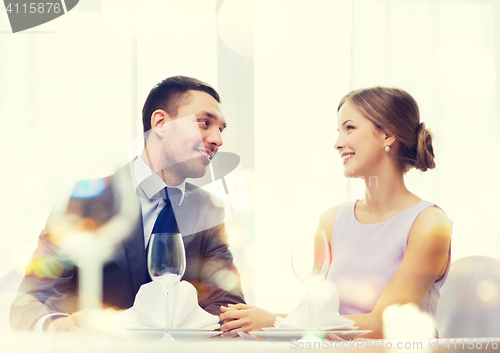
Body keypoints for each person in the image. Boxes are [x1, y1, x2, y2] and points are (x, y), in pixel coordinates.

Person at [10, 76, 245, 331]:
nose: (217, 140)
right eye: (204, 123)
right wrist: (58, 327)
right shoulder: (86, 200)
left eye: (220, 129)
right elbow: (32, 300)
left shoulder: (209, 209)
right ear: (161, 123)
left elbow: (228, 308)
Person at [219, 87, 451, 339]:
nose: (338, 143)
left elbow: (383, 325)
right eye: (339, 131)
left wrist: (272, 321)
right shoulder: (331, 221)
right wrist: (259, 325)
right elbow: (313, 312)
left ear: (387, 135)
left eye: (349, 128)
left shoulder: (429, 224)